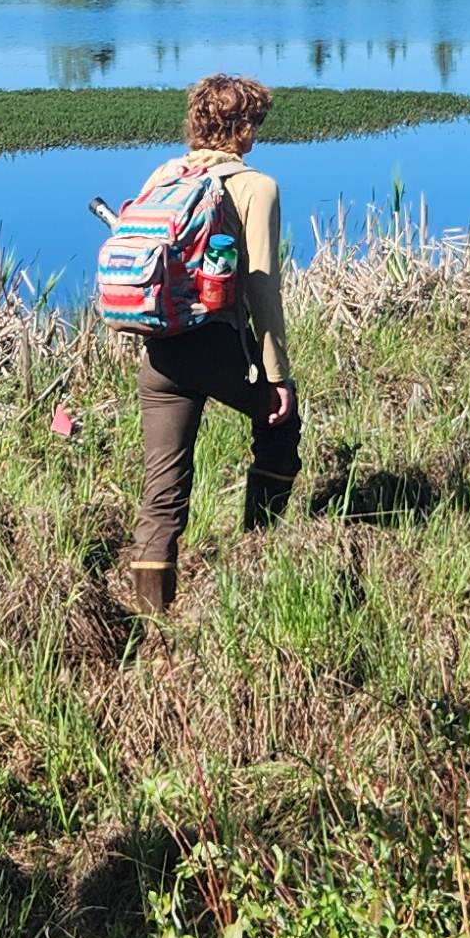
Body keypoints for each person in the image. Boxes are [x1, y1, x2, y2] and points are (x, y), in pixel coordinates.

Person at [122, 72, 301, 615]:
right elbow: (262, 289)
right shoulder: (256, 186)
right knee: (280, 425)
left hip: (160, 351)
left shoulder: (164, 173)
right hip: (216, 347)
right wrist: (278, 377)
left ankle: (156, 624)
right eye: (256, 123)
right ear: (243, 127)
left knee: (163, 489)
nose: (258, 134)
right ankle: (256, 554)